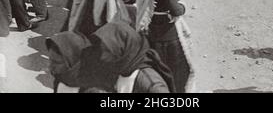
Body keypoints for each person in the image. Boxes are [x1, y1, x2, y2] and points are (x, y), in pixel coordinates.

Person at [46, 22, 176, 93]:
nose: (101, 57)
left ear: (124, 51)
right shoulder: (120, 69)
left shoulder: (152, 85)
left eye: (108, 52)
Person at [136, 0, 195, 93]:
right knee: (177, 73)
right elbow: (175, 10)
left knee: (158, 71)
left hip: (151, 28)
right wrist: (183, 5)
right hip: (167, 34)